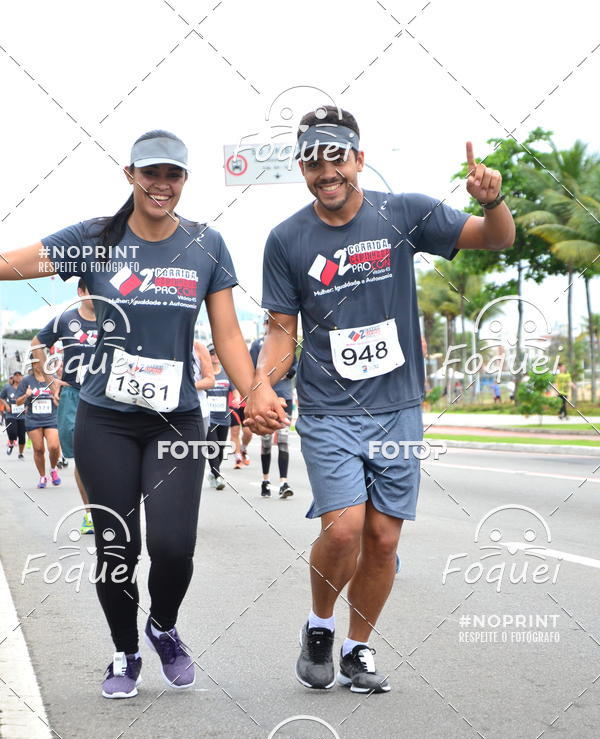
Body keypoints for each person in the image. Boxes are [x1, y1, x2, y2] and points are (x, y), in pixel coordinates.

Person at [0, 129, 282, 699]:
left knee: (174, 547)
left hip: (176, 418)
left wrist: (255, 390)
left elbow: (227, 332)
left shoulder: (207, 244)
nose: (162, 184)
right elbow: (10, 264)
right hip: (106, 418)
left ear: (184, 181)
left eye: (173, 174)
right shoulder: (94, 239)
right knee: (116, 544)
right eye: (151, 173)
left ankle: (163, 626)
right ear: (130, 175)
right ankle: (125, 651)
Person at [246, 107, 515, 693]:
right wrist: (260, 384)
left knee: (384, 539)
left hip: (397, 409)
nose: (327, 172)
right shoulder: (287, 239)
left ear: (359, 159)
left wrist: (493, 201)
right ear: (302, 169)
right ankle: (320, 625)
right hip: (328, 410)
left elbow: (495, 239)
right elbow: (281, 329)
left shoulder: (403, 213)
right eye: (314, 162)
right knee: (343, 531)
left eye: (337, 158)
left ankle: (357, 648)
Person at [32, 278, 98, 532]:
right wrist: (50, 380)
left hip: (106, 395)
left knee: (108, 456)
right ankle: (90, 514)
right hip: (74, 395)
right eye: (93, 290)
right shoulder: (66, 320)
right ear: (80, 292)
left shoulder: (112, 320)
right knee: (82, 457)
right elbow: (37, 343)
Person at [250, 316, 295, 498]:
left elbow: (294, 369)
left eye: (273, 322)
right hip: (267, 397)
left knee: (284, 440)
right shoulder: (257, 345)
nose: (271, 325)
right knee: (266, 441)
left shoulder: (288, 344)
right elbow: (253, 369)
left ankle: (284, 482)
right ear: (264, 325)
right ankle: (265, 480)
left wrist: (284, 371)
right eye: (268, 322)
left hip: (285, 396)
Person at [15, 364, 60, 487]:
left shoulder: (53, 378)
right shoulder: (26, 380)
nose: (38, 365)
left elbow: (60, 398)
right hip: (33, 419)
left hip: (51, 418)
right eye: (36, 362)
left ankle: (53, 469)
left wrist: (55, 395)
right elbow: (18, 401)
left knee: (54, 447)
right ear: (33, 364)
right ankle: (42, 476)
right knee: (39, 449)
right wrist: (27, 395)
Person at [205, 345, 234, 489]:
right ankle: (218, 476)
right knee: (213, 446)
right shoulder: (204, 375)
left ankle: (213, 472)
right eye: (211, 353)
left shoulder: (227, 373)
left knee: (220, 448)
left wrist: (236, 399)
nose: (215, 356)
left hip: (224, 416)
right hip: (209, 417)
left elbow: (235, 392)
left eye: (217, 353)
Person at [192, 338, 215, 436]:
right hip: (166, 411)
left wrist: (187, 387)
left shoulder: (198, 346)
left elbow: (210, 381)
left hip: (198, 410)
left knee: (195, 450)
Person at [1, 372, 26, 458]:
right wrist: (6, 405)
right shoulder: (7, 387)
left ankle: (21, 453)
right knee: (12, 433)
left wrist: (27, 407)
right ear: (13, 377)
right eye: (16, 375)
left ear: (22, 377)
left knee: (22, 436)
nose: (18, 377)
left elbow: (30, 398)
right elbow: (1, 397)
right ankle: (11, 444)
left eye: (20, 375)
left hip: (22, 415)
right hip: (10, 415)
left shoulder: (25, 387)